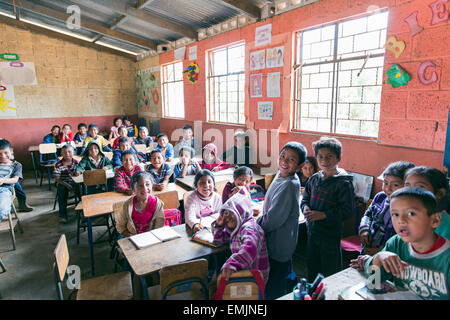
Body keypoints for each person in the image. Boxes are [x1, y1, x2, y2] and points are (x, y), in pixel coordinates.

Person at [363, 187, 449, 300]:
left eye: (411, 213)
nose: (401, 220)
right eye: (395, 214)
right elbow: (373, 281)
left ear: (435, 220)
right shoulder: (396, 243)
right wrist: (378, 258)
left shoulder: (446, 258)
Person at [257, 141, 307, 299]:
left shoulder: (289, 184)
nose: (285, 161)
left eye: (292, 159)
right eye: (283, 156)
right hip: (279, 240)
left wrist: (255, 224)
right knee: (282, 275)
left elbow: (272, 220)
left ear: (299, 166)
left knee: (274, 284)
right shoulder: (281, 175)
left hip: (279, 244)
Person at [301, 137, 355, 282]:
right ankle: (312, 293)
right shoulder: (313, 179)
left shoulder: (343, 183)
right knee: (312, 267)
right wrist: (305, 207)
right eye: (320, 156)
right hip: (312, 232)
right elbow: (305, 199)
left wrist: (323, 215)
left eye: (329, 156)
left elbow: (347, 210)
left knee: (330, 271)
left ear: (338, 158)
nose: (324, 160)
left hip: (330, 235)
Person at [211, 188, 270, 284]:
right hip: (244, 273)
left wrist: (232, 264)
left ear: (242, 212)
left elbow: (250, 248)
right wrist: (219, 226)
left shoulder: (249, 228)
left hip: (254, 279)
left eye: (232, 213)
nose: (228, 217)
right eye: (226, 213)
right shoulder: (236, 229)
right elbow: (220, 240)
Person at [358, 161, 415, 255]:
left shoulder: (410, 210)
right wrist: (364, 229)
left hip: (390, 256)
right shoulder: (380, 197)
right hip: (368, 248)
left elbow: (405, 240)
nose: (388, 189)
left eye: (395, 185)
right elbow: (368, 215)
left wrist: (382, 251)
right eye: (385, 183)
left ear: (408, 186)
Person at [404, 166, 450, 240]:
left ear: (439, 194)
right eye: (407, 187)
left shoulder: (445, 224)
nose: (410, 192)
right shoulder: (406, 215)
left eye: (419, 188)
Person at [115, 171, 165, 237]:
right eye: (140, 186)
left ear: (152, 186)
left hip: (151, 237)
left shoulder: (157, 204)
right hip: (132, 237)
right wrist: (131, 237)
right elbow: (120, 226)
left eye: (147, 184)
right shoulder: (127, 205)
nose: (144, 188)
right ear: (133, 189)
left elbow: (159, 225)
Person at [53, 144, 80, 223]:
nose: (67, 154)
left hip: (74, 181)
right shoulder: (58, 164)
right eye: (65, 152)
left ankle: (81, 210)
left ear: (73, 152)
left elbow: (79, 173)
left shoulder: (76, 162)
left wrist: (78, 173)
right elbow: (57, 179)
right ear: (61, 154)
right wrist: (67, 185)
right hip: (62, 182)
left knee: (81, 191)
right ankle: (63, 214)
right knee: (62, 193)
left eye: (69, 152)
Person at [0, 139, 23, 222]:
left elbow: (15, 180)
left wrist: (3, 180)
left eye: (6, 153)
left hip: (4, 190)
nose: (2, 156)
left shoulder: (16, 165)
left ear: (11, 151)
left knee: (2, 208)